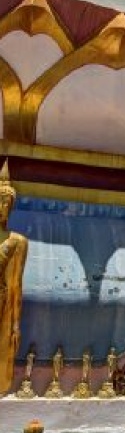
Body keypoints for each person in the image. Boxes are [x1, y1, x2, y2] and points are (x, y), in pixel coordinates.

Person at [0, 160, 28, 396]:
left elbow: (16, 284)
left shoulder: (16, 242)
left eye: (6, 203)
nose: (2, 207)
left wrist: (16, 325)